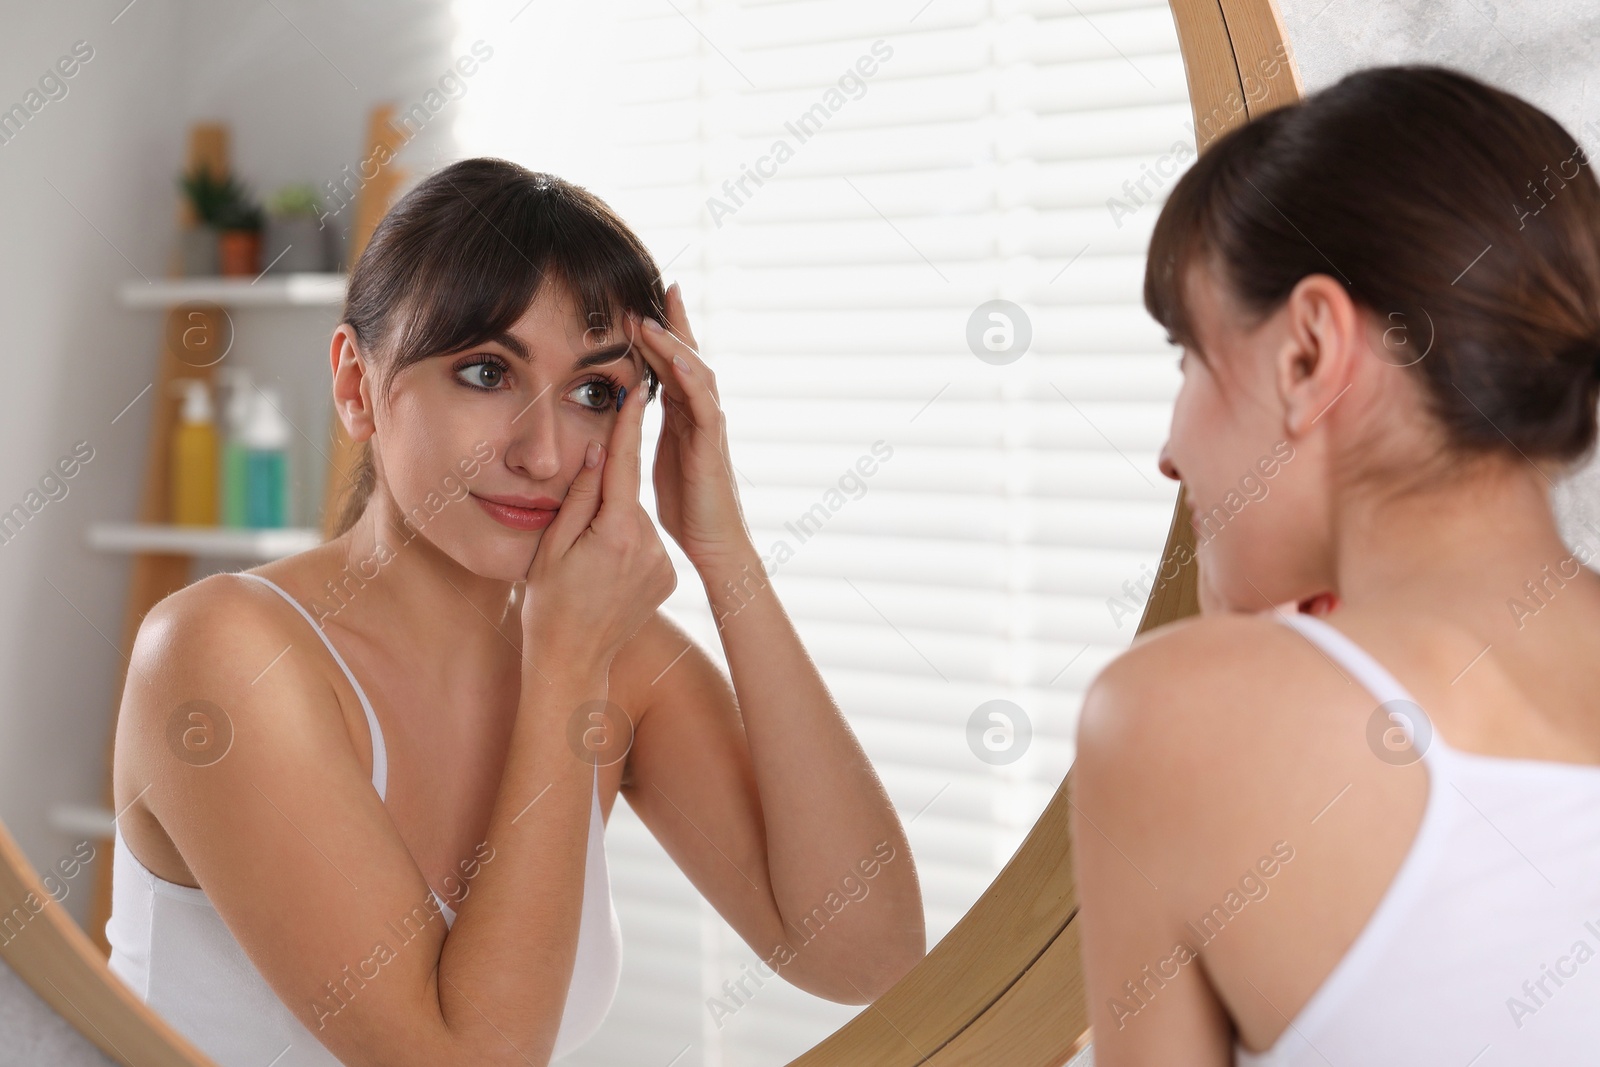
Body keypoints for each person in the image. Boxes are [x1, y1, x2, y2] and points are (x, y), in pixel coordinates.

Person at [108, 158, 925, 1067]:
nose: (543, 452)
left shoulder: (618, 659)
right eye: (486, 371)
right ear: (356, 386)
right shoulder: (221, 652)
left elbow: (868, 954)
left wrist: (723, 552)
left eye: (595, 393)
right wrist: (567, 664)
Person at [1071, 65, 1600, 1064]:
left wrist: (1226, 651)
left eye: (1186, 355)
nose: (1170, 448)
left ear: (1309, 350)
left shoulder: (1173, 719)